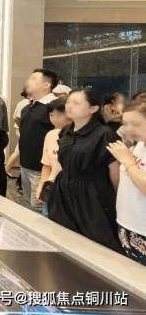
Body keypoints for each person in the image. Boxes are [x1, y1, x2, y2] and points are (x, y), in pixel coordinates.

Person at [49, 89, 121, 253]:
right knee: (62, 237)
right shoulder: (66, 131)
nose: (69, 106)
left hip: (91, 195)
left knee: (96, 244)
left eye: (76, 103)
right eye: (68, 102)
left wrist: (117, 199)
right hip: (63, 191)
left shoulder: (104, 134)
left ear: (93, 108)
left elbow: (114, 172)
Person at [106, 101, 146, 264]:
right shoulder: (139, 145)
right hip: (128, 224)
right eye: (125, 123)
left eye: (135, 124)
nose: (128, 129)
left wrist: (128, 162)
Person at [18, 69, 58, 211]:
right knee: (27, 206)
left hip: (42, 168)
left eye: (33, 79)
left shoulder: (54, 107)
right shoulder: (27, 107)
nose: (28, 81)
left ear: (46, 85)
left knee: (38, 207)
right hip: (25, 165)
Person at [34, 98, 70, 215]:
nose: (54, 119)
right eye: (51, 115)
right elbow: (46, 165)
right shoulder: (51, 135)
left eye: (59, 115)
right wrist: (41, 186)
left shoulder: (78, 137)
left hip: (69, 191)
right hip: (52, 188)